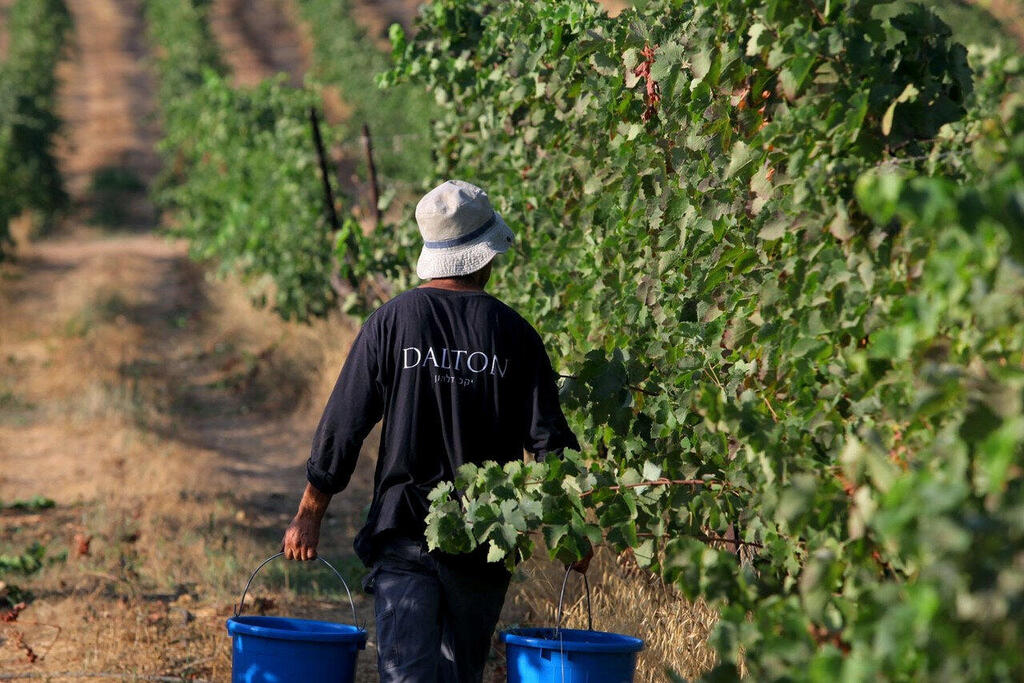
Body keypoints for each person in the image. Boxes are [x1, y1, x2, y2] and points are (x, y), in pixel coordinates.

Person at [280, 180, 585, 682]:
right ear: (485, 257)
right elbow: (549, 445)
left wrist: (309, 514)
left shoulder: (391, 322)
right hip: (485, 535)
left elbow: (342, 425)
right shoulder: (515, 335)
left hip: (404, 532)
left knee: (407, 675)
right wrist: (569, 530)